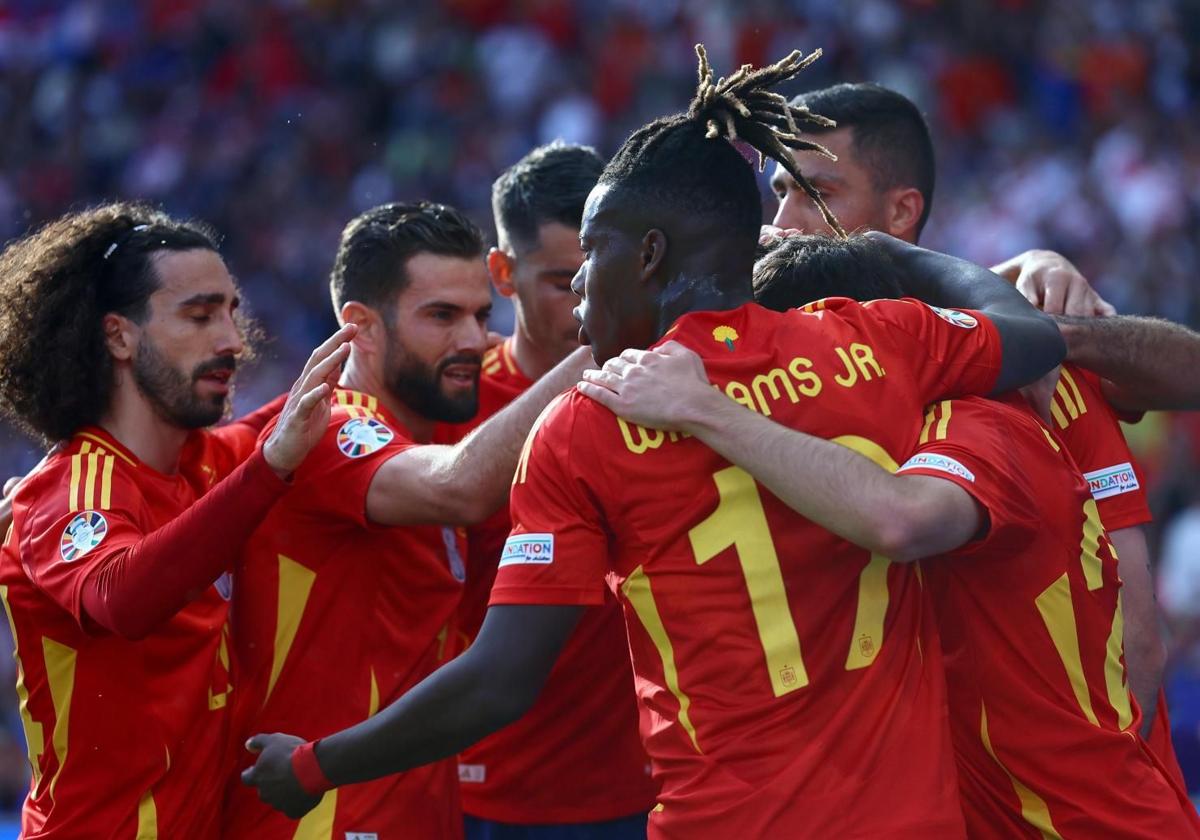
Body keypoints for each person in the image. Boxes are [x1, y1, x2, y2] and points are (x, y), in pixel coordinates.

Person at [242, 45, 1065, 838]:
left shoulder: (588, 424)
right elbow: (1031, 335)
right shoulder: (873, 343)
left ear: (648, 254)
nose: (578, 300)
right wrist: (884, 251)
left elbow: (500, 680)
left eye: (590, 261)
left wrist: (315, 767)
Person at [585, 233, 1200, 836]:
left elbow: (900, 518)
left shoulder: (979, 423)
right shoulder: (903, 426)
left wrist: (707, 409)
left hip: (1079, 821)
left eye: (799, 358)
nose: (790, 385)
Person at [768, 80, 1198, 760]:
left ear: (901, 210)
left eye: (814, 191)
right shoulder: (760, 358)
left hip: (1055, 793)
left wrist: (1056, 334)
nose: (785, 221)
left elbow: (1137, 638)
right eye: (779, 193)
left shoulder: (1007, 356)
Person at [223, 201, 593, 839]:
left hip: (415, 811)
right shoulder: (329, 427)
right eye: (442, 317)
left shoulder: (428, 422)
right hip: (324, 816)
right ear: (361, 328)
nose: (475, 341)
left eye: (481, 315)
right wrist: (621, 334)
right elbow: (464, 486)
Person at [0, 202, 351, 837]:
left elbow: (293, 413)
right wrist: (269, 469)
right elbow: (124, 598)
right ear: (118, 335)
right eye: (198, 316)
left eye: (231, 314)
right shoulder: (71, 487)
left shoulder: (208, 463)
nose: (232, 343)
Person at [439, 143, 655, 839]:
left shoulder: (669, 389)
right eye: (564, 282)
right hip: (491, 799)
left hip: (656, 789)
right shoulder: (449, 405)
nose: (587, 302)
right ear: (502, 272)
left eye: (603, 273)